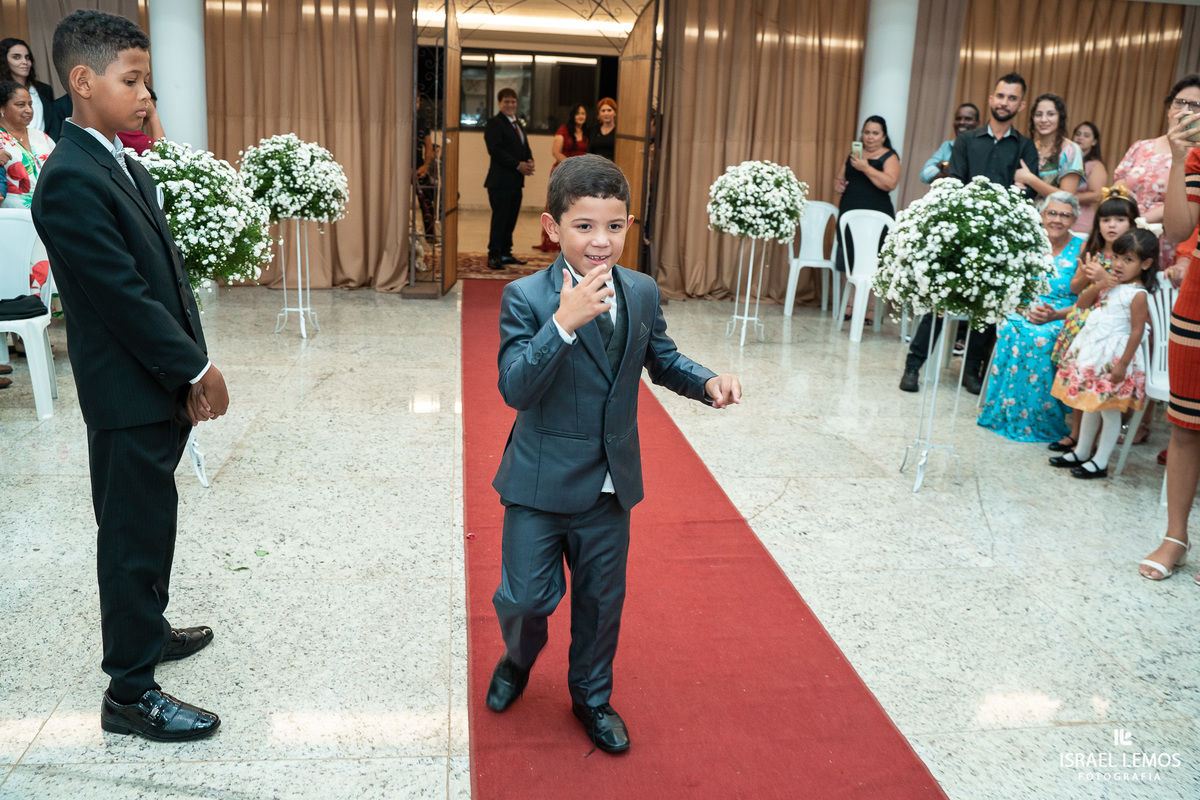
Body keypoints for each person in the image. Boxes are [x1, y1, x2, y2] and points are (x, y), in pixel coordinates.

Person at [485, 153, 741, 754]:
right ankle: (518, 658)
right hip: (539, 483)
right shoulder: (526, 297)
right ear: (553, 227)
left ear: (629, 225)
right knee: (523, 599)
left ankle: (591, 698)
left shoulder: (642, 291)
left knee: (601, 603)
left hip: (608, 486)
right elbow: (515, 388)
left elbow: (663, 359)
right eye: (584, 226)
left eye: (615, 226)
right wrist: (562, 325)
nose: (601, 241)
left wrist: (706, 381)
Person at [30, 10, 228, 742]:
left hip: (154, 382)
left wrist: (185, 368)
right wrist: (197, 365)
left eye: (147, 81)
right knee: (129, 536)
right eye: (133, 80)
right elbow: (123, 297)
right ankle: (130, 692)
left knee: (152, 519)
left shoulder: (118, 160)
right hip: (124, 392)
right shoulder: (69, 180)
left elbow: (166, 279)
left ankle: (148, 626)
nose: (147, 95)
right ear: (83, 81)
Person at [900, 73, 1039, 395]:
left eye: (1012, 98)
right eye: (1000, 96)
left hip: (1001, 241)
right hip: (961, 236)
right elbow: (956, 182)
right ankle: (913, 366)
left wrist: (1021, 190)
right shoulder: (966, 141)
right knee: (939, 301)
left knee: (987, 307)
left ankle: (971, 370)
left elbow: (1028, 193)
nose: (1004, 102)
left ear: (1021, 105)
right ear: (991, 99)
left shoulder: (1025, 146)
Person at [1139, 88, 1200, 581]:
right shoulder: (1197, 156)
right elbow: (1178, 230)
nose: (1188, 112)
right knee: (1185, 425)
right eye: (1185, 104)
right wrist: (1179, 160)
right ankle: (1175, 536)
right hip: (1197, 304)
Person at [1048, 229, 1156, 479]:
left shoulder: (1138, 294)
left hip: (1114, 360)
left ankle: (1101, 461)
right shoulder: (1111, 284)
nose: (1119, 264)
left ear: (1145, 264)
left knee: (1109, 410)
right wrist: (1099, 284)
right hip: (1094, 355)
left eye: (1128, 260)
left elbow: (1137, 331)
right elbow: (1082, 304)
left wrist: (1123, 365)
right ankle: (1082, 451)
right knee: (1091, 405)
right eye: (1117, 257)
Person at [977, 192, 1081, 442]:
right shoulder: (1029, 243)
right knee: (1012, 329)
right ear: (1042, 215)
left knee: (1039, 338)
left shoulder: (1082, 248)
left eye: (1065, 215)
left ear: (1074, 220)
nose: (1057, 220)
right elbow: (1011, 286)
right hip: (1023, 308)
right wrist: (1024, 310)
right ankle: (1004, 412)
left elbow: (1087, 298)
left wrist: (1053, 315)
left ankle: (1039, 420)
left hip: (1063, 314)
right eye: (1052, 213)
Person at [1047, 190, 1138, 452]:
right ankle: (1077, 435)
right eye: (1106, 220)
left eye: (1120, 220)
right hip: (1084, 322)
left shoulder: (1132, 257)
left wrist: (1101, 279)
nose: (1112, 225)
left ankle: (1094, 441)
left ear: (1132, 223)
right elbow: (1076, 289)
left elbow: (1123, 295)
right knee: (1081, 379)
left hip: (1111, 328)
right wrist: (1088, 274)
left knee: (1100, 384)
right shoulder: (1092, 250)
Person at [1112, 74, 1200, 270]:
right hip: (1129, 233)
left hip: (1169, 238)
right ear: (1169, 109)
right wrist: (1124, 215)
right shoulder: (1142, 146)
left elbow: (1191, 203)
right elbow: (1120, 182)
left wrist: (1143, 219)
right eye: (1180, 102)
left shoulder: (1196, 155)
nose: (1185, 110)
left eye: (1195, 106)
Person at [833, 115, 899, 325]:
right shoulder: (855, 154)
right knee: (848, 259)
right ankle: (850, 305)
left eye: (875, 133)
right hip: (849, 213)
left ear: (884, 136)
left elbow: (890, 183)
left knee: (873, 262)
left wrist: (866, 168)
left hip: (876, 219)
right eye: (867, 132)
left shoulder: (889, 156)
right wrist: (839, 184)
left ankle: (870, 309)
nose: (870, 137)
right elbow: (839, 177)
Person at [484, 87, 534, 270]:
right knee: (500, 220)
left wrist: (529, 160)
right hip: (500, 182)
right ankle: (493, 255)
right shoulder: (495, 123)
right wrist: (517, 165)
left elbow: (524, 146)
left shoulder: (517, 123)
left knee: (511, 219)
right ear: (499, 103)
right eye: (506, 101)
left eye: (513, 101)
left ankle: (506, 253)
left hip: (516, 182)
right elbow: (495, 150)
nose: (510, 105)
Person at [535, 103, 589, 252]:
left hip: (582, 175)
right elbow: (556, 152)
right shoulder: (563, 130)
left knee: (577, 207)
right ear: (572, 115)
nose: (581, 116)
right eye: (578, 113)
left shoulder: (587, 132)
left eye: (583, 113)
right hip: (564, 171)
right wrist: (571, 167)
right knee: (560, 206)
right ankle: (554, 240)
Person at [1015, 93, 1083, 199]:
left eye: (1050, 114)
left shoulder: (1070, 149)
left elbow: (1067, 196)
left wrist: (1030, 179)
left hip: (1055, 209)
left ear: (1060, 117)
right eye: (1038, 114)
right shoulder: (1030, 147)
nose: (1043, 120)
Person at [0, 81, 56, 209]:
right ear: (2, 108)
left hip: (51, 211)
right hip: (13, 216)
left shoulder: (41, 136)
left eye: (30, 104)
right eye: (21, 105)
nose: (29, 110)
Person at [0, 38, 62, 139]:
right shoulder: (1, 93)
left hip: (45, 146)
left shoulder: (44, 90)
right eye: (16, 57)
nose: (25, 62)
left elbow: (53, 125)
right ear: (4, 61)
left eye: (27, 57)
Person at [920, 103, 980, 183]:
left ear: (977, 124)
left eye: (968, 119)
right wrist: (944, 166)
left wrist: (948, 168)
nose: (962, 122)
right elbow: (925, 175)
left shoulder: (983, 147)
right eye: (958, 119)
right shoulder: (947, 146)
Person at [1071, 122, 1108, 234]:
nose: (1080, 138)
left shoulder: (1096, 165)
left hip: (1080, 221)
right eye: (1078, 134)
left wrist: (1065, 197)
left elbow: (1097, 195)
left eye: (1086, 136)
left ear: (1094, 142)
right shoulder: (1065, 161)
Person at [117, 87, 164, 154]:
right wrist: (153, 115)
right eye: (142, 111)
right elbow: (162, 152)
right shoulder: (124, 130)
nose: (144, 116)